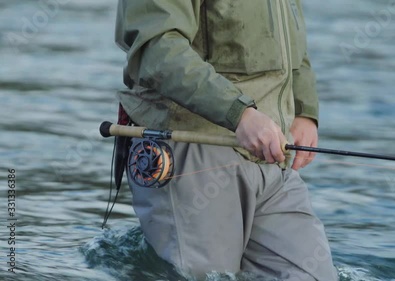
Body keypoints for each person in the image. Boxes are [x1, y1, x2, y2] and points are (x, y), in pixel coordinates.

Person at [114, 0, 339, 280]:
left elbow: (292, 39)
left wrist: (305, 110)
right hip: (191, 152)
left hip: (272, 154)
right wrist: (240, 114)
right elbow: (157, 49)